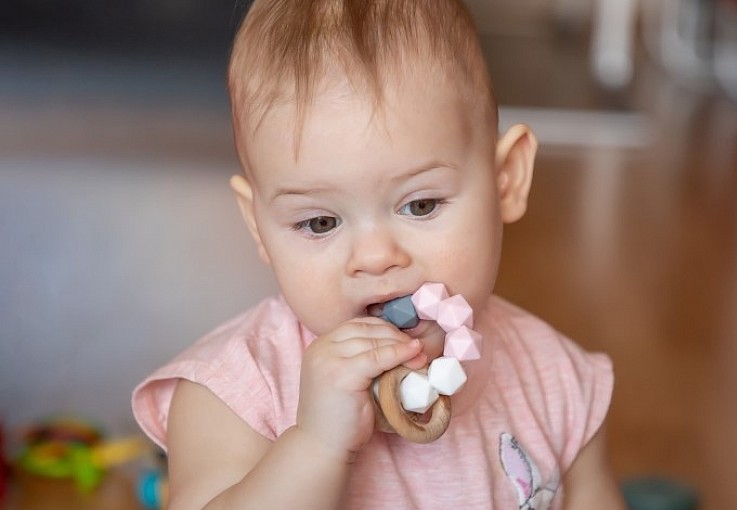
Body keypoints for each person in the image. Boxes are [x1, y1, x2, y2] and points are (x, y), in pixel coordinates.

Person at [132, 0, 625, 508]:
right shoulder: (235, 393)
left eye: (420, 204)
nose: (375, 257)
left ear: (507, 182)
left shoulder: (558, 381)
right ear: (258, 225)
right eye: (319, 222)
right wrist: (317, 446)